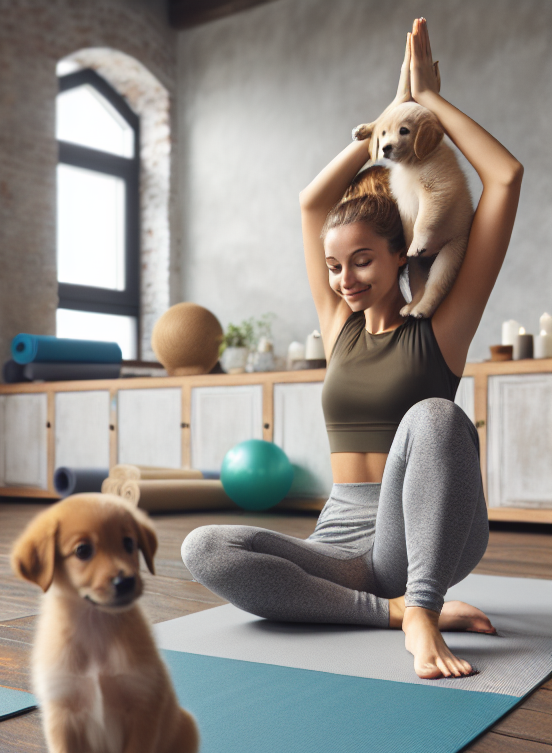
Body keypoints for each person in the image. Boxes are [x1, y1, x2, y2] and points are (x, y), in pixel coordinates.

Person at [182, 19, 523, 679]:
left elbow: (504, 179)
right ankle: (391, 613)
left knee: (434, 414)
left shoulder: (439, 327)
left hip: (420, 534)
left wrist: (430, 104)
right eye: (336, 268)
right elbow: (312, 205)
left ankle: (421, 605)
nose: (345, 280)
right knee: (207, 547)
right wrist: (388, 121)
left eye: (363, 261)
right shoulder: (338, 325)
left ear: (400, 255)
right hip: (338, 541)